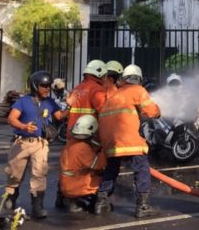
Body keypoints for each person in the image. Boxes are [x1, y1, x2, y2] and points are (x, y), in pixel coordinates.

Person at [95, 64, 161, 218]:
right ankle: (143, 206)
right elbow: (151, 111)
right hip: (128, 139)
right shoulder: (137, 90)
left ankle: (101, 201)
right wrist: (158, 111)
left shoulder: (114, 96)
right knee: (142, 168)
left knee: (111, 169)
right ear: (138, 79)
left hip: (110, 142)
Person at [4, 71, 68, 219]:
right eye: (44, 86)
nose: (47, 89)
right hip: (21, 142)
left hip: (40, 143)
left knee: (39, 173)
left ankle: (37, 206)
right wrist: (23, 126)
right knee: (14, 173)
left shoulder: (50, 102)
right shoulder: (23, 101)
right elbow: (11, 118)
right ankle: (11, 196)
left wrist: (70, 105)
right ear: (35, 86)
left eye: (48, 86)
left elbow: (59, 116)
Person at [58, 115, 106, 213]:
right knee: (104, 176)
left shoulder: (71, 143)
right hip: (75, 185)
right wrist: (104, 150)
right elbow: (98, 164)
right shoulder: (82, 148)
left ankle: (69, 200)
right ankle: (95, 202)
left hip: (65, 184)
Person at [66, 60, 106, 141]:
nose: (105, 78)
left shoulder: (76, 89)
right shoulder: (97, 89)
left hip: (72, 133)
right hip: (89, 135)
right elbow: (104, 113)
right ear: (99, 73)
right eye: (104, 75)